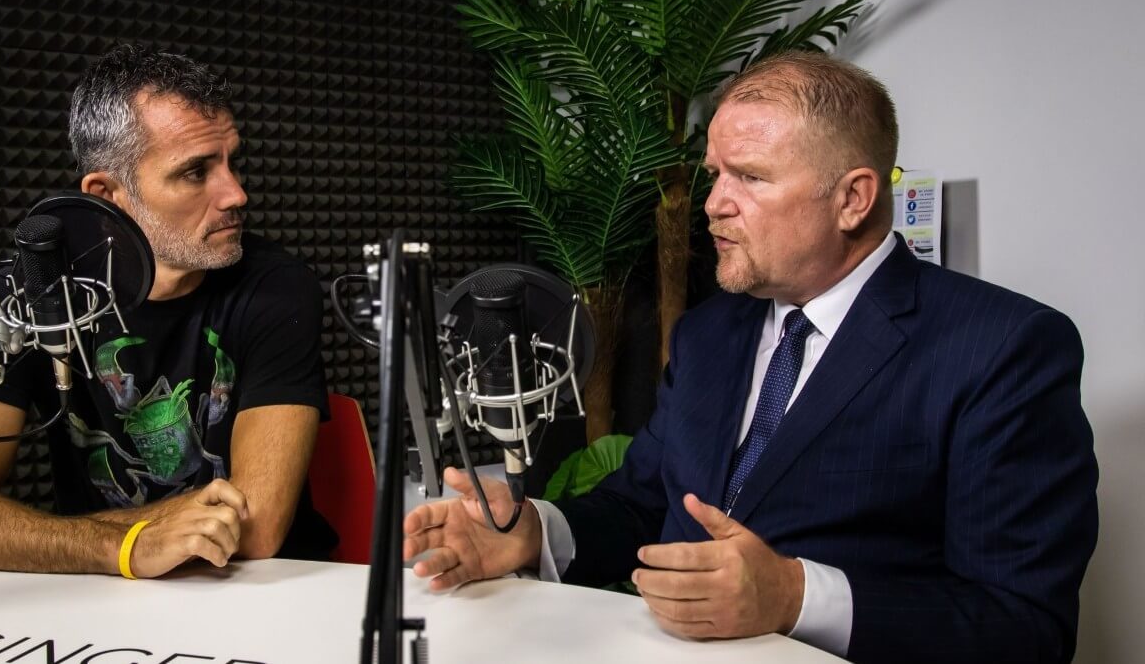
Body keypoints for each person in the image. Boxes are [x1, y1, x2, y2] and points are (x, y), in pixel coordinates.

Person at [403, 51, 1098, 664]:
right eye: (715, 175)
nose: (713, 205)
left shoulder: (1003, 348)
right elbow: (645, 504)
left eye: (751, 177)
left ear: (853, 199)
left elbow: (1024, 628)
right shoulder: (709, 333)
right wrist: (532, 531)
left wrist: (794, 595)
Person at [0, 44, 335, 578]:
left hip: (259, 592)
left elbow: (257, 527)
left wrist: (71, 539)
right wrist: (126, 546)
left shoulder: (276, 287)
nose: (236, 194)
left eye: (232, 162)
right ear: (108, 194)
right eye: (195, 171)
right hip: (103, 593)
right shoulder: (30, 295)